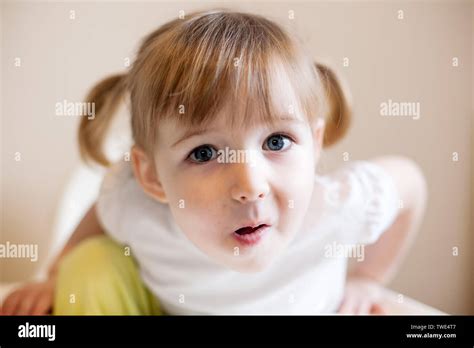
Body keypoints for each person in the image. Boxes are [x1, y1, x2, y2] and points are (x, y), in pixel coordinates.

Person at [1, 9, 427, 315]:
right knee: (89, 265)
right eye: (204, 153)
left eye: (277, 141)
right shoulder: (137, 206)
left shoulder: (337, 208)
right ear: (151, 177)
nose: (250, 184)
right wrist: (53, 274)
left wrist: (368, 279)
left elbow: (409, 184)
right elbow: (104, 207)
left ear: (314, 144)